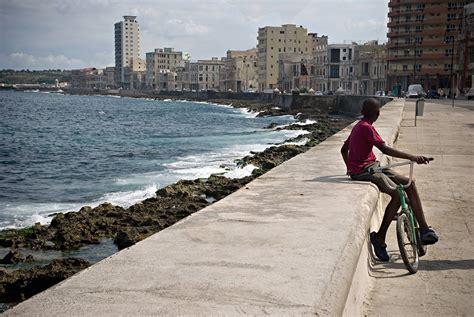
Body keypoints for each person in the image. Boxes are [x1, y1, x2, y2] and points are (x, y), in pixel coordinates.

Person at [341, 98, 438, 262]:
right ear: (377, 113)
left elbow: (344, 149)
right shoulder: (366, 128)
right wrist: (414, 158)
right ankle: (379, 238)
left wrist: (349, 167)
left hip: (373, 166)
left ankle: (423, 229)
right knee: (396, 194)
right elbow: (385, 149)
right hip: (366, 171)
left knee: (409, 183)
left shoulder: (360, 125)